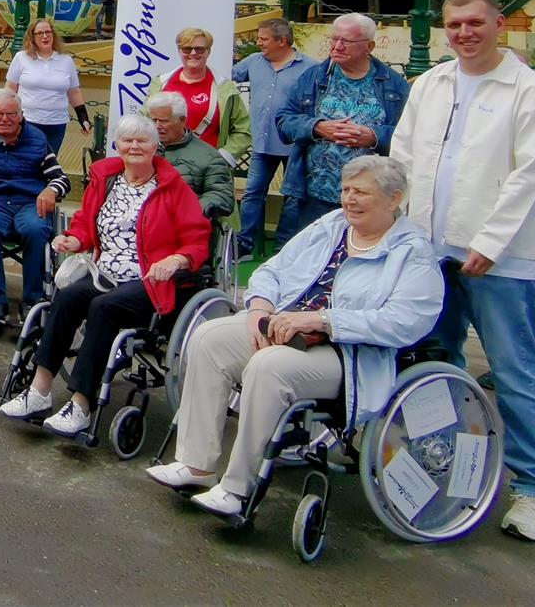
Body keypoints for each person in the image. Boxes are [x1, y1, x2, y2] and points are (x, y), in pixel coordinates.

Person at [146, 155, 444, 517]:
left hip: (348, 355)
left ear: (393, 198)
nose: (348, 199)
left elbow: (408, 320)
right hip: (284, 326)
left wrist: (322, 320)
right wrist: (259, 308)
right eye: (345, 189)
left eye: (360, 192)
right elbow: (273, 270)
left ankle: (238, 487)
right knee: (209, 338)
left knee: (269, 367)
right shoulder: (332, 225)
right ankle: (195, 465)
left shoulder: (412, 251)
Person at [390, 0, 535, 543]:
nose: (464, 34)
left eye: (475, 23)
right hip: (428, 248)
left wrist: (490, 242)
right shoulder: (434, 83)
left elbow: (531, 175)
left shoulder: (531, 92)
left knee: (514, 371)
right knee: (432, 361)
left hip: (498, 259)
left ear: (498, 25)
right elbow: (404, 154)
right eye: (454, 24)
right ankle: (437, 466)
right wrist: (398, 226)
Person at [0, 113, 208, 436]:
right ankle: (39, 393)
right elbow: (86, 219)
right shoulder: (106, 178)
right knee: (67, 297)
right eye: (127, 140)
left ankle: (81, 405)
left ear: (156, 147)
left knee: (103, 307)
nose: (134, 146)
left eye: (143, 141)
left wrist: (176, 260)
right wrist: (76, 239)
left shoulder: (172, 188)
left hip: (150, 282)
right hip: (105, 273)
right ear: (117, 145)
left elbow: (197, 240)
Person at [274, 12, 409, 246]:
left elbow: (410, 134)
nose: (337, 46)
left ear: (369, 46)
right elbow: (284, 121)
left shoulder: (394, 85)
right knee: (308, 260)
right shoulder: (314, 78)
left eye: (346, 41)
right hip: (314, 197)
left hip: (371, 200)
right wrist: (317, 127)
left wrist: (374, 136)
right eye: (334, 39)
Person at [0, 88, 69, 321]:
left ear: (21, 114)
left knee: (36, 229)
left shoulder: (37, 139)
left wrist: (51, 189)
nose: (4, 119)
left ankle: (32, 299)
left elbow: (60, 178)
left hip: (28, 201)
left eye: (11, 114)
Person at [231, 18, 316, 258]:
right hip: (261, 142)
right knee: (252, 194)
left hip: (296, 146)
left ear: (283, 41)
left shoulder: (310, 67)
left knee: (293, 197)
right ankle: (245, 245)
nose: (258, 43)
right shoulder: (253, 62)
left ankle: (283, 248)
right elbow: (226, 79)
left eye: (263, 39)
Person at [160, 28, 251, 162]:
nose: (193, 53)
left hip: (207, 168)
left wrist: (222, 158)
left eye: (199, 49)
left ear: (208, 51)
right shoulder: (161, 84)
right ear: (179, 51)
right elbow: (146, 122)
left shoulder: (224, 88)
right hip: (166, 164)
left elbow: (243, 129)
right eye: (186, 49)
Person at [4, 19, 91, 155]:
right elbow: (10, 88)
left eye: (48, 32)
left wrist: (83, 118)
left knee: (49, 161)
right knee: (27, 161)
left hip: (56, 124)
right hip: (27, 122)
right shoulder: (21, 58)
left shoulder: (66, 61)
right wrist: (6, 114)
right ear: (32, 38)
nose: (45, 36)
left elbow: (74, 92)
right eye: (40, 33)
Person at [145, 91, 235, 221]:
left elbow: (221, 195)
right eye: (153, 120)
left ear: (182, 121)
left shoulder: (209, 156)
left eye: (164, 121)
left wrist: (192, 212)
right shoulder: (141, 149)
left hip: (184, 224)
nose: (157, 126)